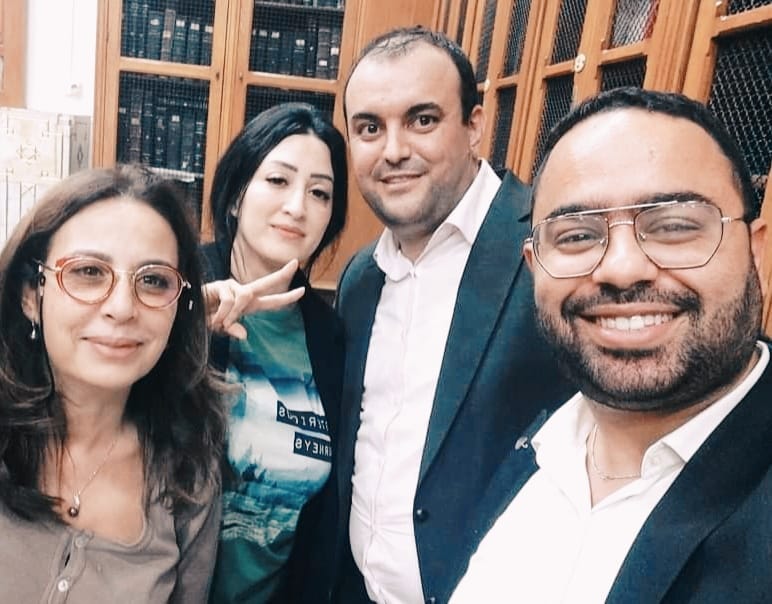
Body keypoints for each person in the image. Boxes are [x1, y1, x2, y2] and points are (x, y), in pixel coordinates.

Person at [451, 87, 771, 603]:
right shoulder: (539, 444)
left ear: (756, 251)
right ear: (535, 267)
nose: (622, 269)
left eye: (673, 226)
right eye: (577, 236)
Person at [331, 27, 573, 604]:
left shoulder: (555, 252)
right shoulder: (361, 278)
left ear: (474, 126)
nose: (393, 150)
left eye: (422, 120)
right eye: (370, 128)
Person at [0, 164, 226, 602]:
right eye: (88, 272)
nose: (122, 308)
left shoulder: (189, 475)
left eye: (154, 281)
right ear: (31, 294)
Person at [199, 102, 347, 603]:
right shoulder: (175, 292)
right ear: (236, 194)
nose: (297, 207)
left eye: (319, 192)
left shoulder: (329, 337)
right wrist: (182, 321)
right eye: (278, 180)